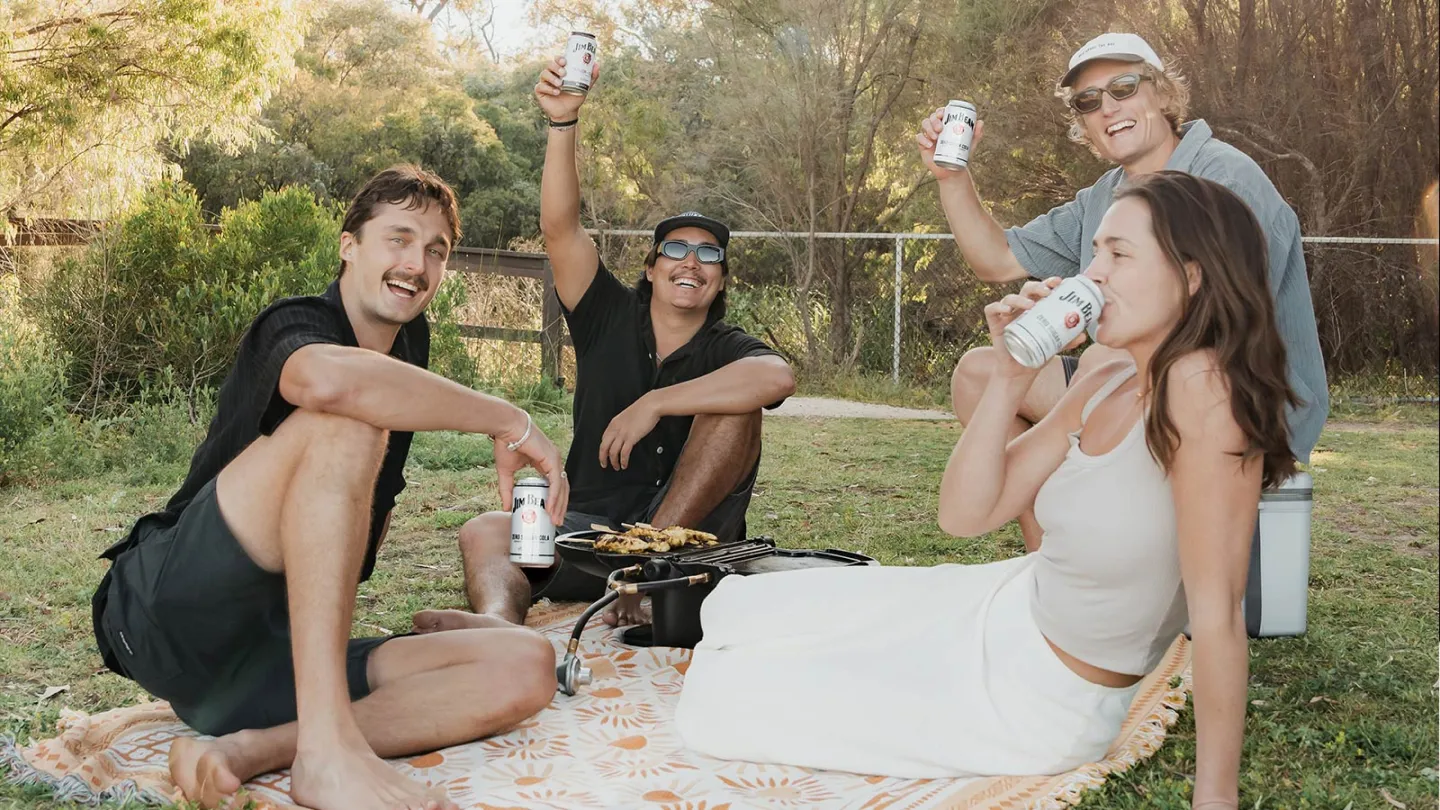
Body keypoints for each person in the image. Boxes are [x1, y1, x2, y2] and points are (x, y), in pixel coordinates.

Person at [677, 172, 1296, 810]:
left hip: (1039, 696)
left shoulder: (1204, 396)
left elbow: (1218, 616)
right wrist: (1009, 374)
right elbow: (967, 514)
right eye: (1096, 251)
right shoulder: (1112, 370)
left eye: (1119, 253)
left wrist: (1214, 798)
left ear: (1192, 276)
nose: (1095, 272)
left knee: (722, 701)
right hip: (1007, 604)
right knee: (743, 608)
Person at [90, 165, 569, 810]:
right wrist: (511, 420)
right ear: (349, 246)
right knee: (348, 421)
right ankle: (326, 754)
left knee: (527, 664)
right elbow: (330, 385)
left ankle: (249, 749)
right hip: (169, 612)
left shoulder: (409, 347)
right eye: (397, 238)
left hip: (266, 662)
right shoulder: (293, 324)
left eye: (435, 250)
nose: (417, 263)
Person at [412, 55, 794, 633]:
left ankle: (648, 573)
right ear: (650, 265)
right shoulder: (605, 314)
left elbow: (777, 379)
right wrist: (562, 124)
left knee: (735, 409)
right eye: (676, 249)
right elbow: (560, 229)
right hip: (592, 535)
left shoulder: (728, 346)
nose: (692, 261)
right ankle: (500, 629)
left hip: (687, 554)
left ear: (720, 278)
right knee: (486, 529)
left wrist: (656, 403)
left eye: (709, 254)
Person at [917, 32, 1328, 551]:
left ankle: (1133, 571)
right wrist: (951, 176)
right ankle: (1051, 568)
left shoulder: (1223, 178)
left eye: (1124, 88)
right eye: (1089, 101)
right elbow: (996, 258)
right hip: (1133, 379)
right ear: (1083, 122)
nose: (1108, 107)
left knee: (1097, 370)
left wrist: (1096, 361)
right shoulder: (1108, 196)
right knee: (982, 374)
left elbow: (1222, 331)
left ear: (1161, 93)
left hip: (1238, 392)